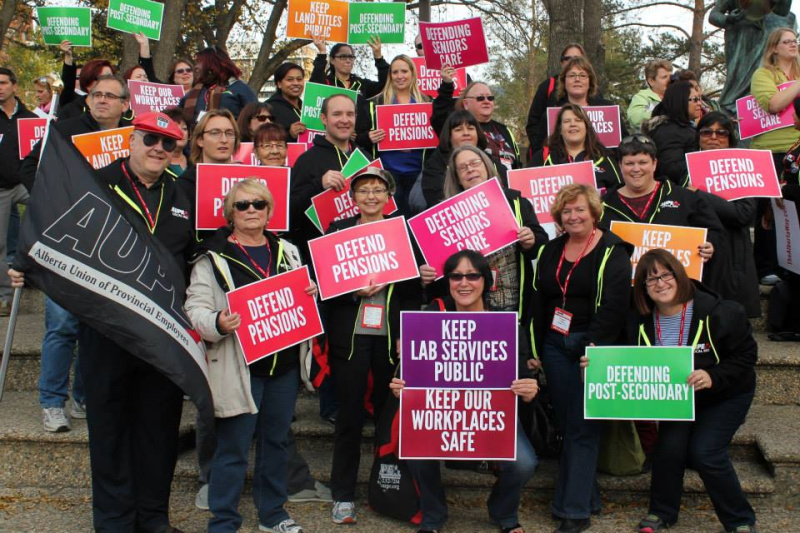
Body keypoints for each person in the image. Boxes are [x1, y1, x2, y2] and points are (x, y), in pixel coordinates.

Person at [9, 112, 191, 530]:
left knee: (158, 432)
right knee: (109, 431)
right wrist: (26, 263)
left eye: (168, 144)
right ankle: (113, 521)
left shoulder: (182, 194)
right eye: (150, 139)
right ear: (132, 140)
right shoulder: (95, 183)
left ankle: (153, 518)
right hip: (106, 330)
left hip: (163, 337)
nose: (158, 149)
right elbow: (51, 226)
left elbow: (199, 255)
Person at [185, 179, 316, 533]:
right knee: (233, 448)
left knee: (275, 444)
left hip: (283, 366)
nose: (251, 211)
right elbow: (195, 307)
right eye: (242, 205)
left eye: (258, 204)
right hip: (239, 367)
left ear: (270, 211)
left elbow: (303, 303)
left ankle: (272, 515)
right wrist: (217, 322)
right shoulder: (210, 258)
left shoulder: (289, 251)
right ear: (230, 213)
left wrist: (310, 294)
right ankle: (224, 522)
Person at [390, 249, 539, 533]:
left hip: (491, 415)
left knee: (525, 463)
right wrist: (401, 387)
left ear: (486, 280)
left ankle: (503, 512)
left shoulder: (505, 322)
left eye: (472, 275)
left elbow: (522, 375)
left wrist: (529, 388)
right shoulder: (431, 315)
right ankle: (433, 515)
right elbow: (408, 371)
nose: (464, 283)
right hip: (440, 414)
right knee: (415, 448)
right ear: (447, 281)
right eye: (456, 276)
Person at [622, 249, 757, 533]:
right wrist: (594, 361)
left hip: (725, 394)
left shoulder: (719, 312)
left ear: (679, 274)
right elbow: (621, 357)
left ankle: (740, 520)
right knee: (668, 450)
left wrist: (713, 376)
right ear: (643, 289)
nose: (660, 283)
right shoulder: (639, 321)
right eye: (650, 279)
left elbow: (746, 356)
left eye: (666, 274)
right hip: (678, 399)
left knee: (705, 452)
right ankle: (661, 513)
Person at [322, 167, 421, 525]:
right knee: (348, 416)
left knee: (386, 417)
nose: (371, 196)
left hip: (389, 338)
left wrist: (406, 331)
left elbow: (412, 292)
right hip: (350, 337)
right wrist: (351, 291)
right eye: (364, 190)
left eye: (378, 189)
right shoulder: (337, 231)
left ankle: (385, 489)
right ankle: (343, 494)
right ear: (353, 198)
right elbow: (323, 287)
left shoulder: (402, 232)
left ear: (388, 196)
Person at [532, 184, 632, 533]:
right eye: (567, 211)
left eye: (580, 210)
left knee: (583, 429)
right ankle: (587, 497)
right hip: (555, 345)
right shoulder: (552, 248)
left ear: (594, 213)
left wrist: (593, 347)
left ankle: (573, 512)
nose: (573, 216)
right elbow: (541, 299)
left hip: (592, 348)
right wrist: (535, 346)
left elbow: (615, 307)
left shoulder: (612, 250)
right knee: (569, 425)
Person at [600, 135, 728, 295]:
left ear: (654, 164)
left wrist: (710, 245)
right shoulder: (602, 206)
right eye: (629, 163)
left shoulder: (683, 197)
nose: (636, 169)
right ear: (620, 166)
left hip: (676, 294)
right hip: (624, 295)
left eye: (642, 162)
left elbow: (716, 233)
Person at [435, 145, 548, 319]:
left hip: (513, 305)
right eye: (463, 167)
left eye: (474, 163)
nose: (470, 169)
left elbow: (541, 243)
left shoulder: (516, 202)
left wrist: (530, 240)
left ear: (487, 166)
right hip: (466, 309)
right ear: (457, 177)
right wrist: (427, 272)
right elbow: (440, 265)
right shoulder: (446, 216)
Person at [689, 111, 760, 318]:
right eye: (706, 132)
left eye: (721, 133)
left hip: (732, 251)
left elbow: (744, 214)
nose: (713, 138)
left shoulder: (742, 168)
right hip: (700, 252)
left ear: (730, 137)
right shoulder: (687, 170)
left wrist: (701, 195)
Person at [750, 27, 800, 285]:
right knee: (770, 209)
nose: (793, 44)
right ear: (774, 48)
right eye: (787, 41)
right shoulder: (763, 74)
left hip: (797, 147)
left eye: (795, 40)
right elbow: (773, 104)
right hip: (770, 151)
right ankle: (766, 267)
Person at [356, 54, 431, 216]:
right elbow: (357, 137)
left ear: (412, 74)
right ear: (389, 75)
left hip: (418, 173)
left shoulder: (427, 102)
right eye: (395, 72)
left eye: (404, 71)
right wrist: (369, 137)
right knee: (393, 221)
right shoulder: (375, 103)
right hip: (388, 174)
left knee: (416, 222)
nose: (399, 76)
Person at [290, 94, 358, 258]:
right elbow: (291, 213)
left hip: (362, 252)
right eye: (337, 114)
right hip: (326, 256)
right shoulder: (307, 161)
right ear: (323, 119)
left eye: (350, 114)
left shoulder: (364, 157)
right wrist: (318, 185)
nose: (344, 120)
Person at [530, 56, 626, 156]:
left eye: (583, 75)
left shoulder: (608, 109)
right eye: (572, 75)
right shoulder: (551, 115)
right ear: (564, 81)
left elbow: (623, 144)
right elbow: (538, 149)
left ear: (590, 81)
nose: (577, 79)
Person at [0, 67, 35, 317]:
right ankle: (5, 297)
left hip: (26, 184)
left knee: (53, 212)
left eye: (3, 83)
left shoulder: (30, 118)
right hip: (0, 189)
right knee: (0, 244)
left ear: (14, 85)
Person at [421, 109, 509, 208]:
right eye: (458, 130)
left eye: (471, 128)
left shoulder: (491, 160)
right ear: (449, 136)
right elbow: (436, 200)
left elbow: (508, 190)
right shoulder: (435, 165)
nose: (466, 133)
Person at [528, 103, 622, 192]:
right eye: (567, 121)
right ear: (560, 129)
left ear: (586, 127)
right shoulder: (543, 157)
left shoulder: (604, 158)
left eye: (578, 120)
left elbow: (619, 192)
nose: (573, 124)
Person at [432, 78, 521, 170]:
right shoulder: (458, 129)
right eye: (480, 98)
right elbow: (439, 115)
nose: (486, 101)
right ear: (466, 104)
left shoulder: (504, 129)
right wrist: (447, 85)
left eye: (490, 98)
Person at [527, 43, 589, 153]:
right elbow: (533, 122)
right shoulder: (547, 87)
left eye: (577, 58)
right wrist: (541, 151)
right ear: (561, 62)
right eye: (567, 58)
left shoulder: (597, 95)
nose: (572, 61)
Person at [641, 81, 701, 185]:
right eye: (695, 99)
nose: (699, 103)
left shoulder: (681, 127)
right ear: (680, 101)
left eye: (700, 99)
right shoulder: (668, 131)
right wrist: (702, 167)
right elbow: (670, 169)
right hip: (679, 193)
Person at [180, 46, 257, 126]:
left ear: (212, 65)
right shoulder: (194, 93)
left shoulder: (240, 89)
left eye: (199, 62)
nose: (196, 67)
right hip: (196, 138)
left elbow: (255, 119)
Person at [179, 109, 241, 204]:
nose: (224, 140)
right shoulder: (185, 184)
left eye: (229, 133)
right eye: (215, 133)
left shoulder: (246, 181)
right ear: (200, 140)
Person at [310, 37, 389, 99]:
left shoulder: (361, 84)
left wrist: (378, 57)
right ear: (332, 60)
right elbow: (314, 87)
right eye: (343, 57)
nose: (348, 60)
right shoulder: (327, 83)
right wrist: (322, 52)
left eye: (351, 57)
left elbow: (385, 85)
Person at [57, 41, 115, 120]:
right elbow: (68, 84)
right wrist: (68, 56)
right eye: (102, 78)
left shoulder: (118, 108)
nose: (108, 82)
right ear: (88, 82)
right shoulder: (73, 106)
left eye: (110, 77)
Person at [627, 59, 673, 132]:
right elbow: (635, 118)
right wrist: (661, 113)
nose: (670, 80)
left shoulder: (676, 96)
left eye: (671, 76)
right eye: (664, 77)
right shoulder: (642, 97)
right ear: (651, 81)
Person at [266, 63, 307, 142]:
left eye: (299, 79)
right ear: (279, 84)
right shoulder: (269, 109)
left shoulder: (308, 108)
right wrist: (289, 135)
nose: (296, 83)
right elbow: (264, 139)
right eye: (290, 80)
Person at [161, 107, 190, 178]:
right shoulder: (156, 163)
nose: (180, 132)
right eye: (175, 128)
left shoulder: (196, 162)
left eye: (184, 129)